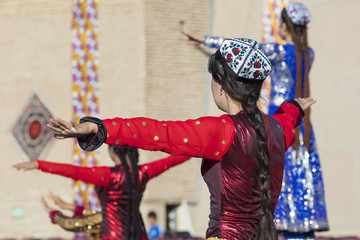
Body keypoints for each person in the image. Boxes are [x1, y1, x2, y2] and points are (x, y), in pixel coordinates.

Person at [45, 37, 316, 240]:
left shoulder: (221, 131)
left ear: (221, 84)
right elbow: (287, 117)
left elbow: (158, 132)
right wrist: (295, 106)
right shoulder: (278, 130)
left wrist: (98, 128)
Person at [181, 3, 329, 239]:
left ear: (285, 25)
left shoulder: (282, 51)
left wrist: (204, 39)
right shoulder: (308, 54)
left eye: (281, 23)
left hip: (275, 118)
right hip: (299, 125)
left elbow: (244, 51)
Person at [13, 145, 190, 240]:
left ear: (113, 152)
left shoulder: (107, 176)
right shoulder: (143, 172)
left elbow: (73, 171)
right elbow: (172, 160)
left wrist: (39, 165)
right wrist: (203, 149)